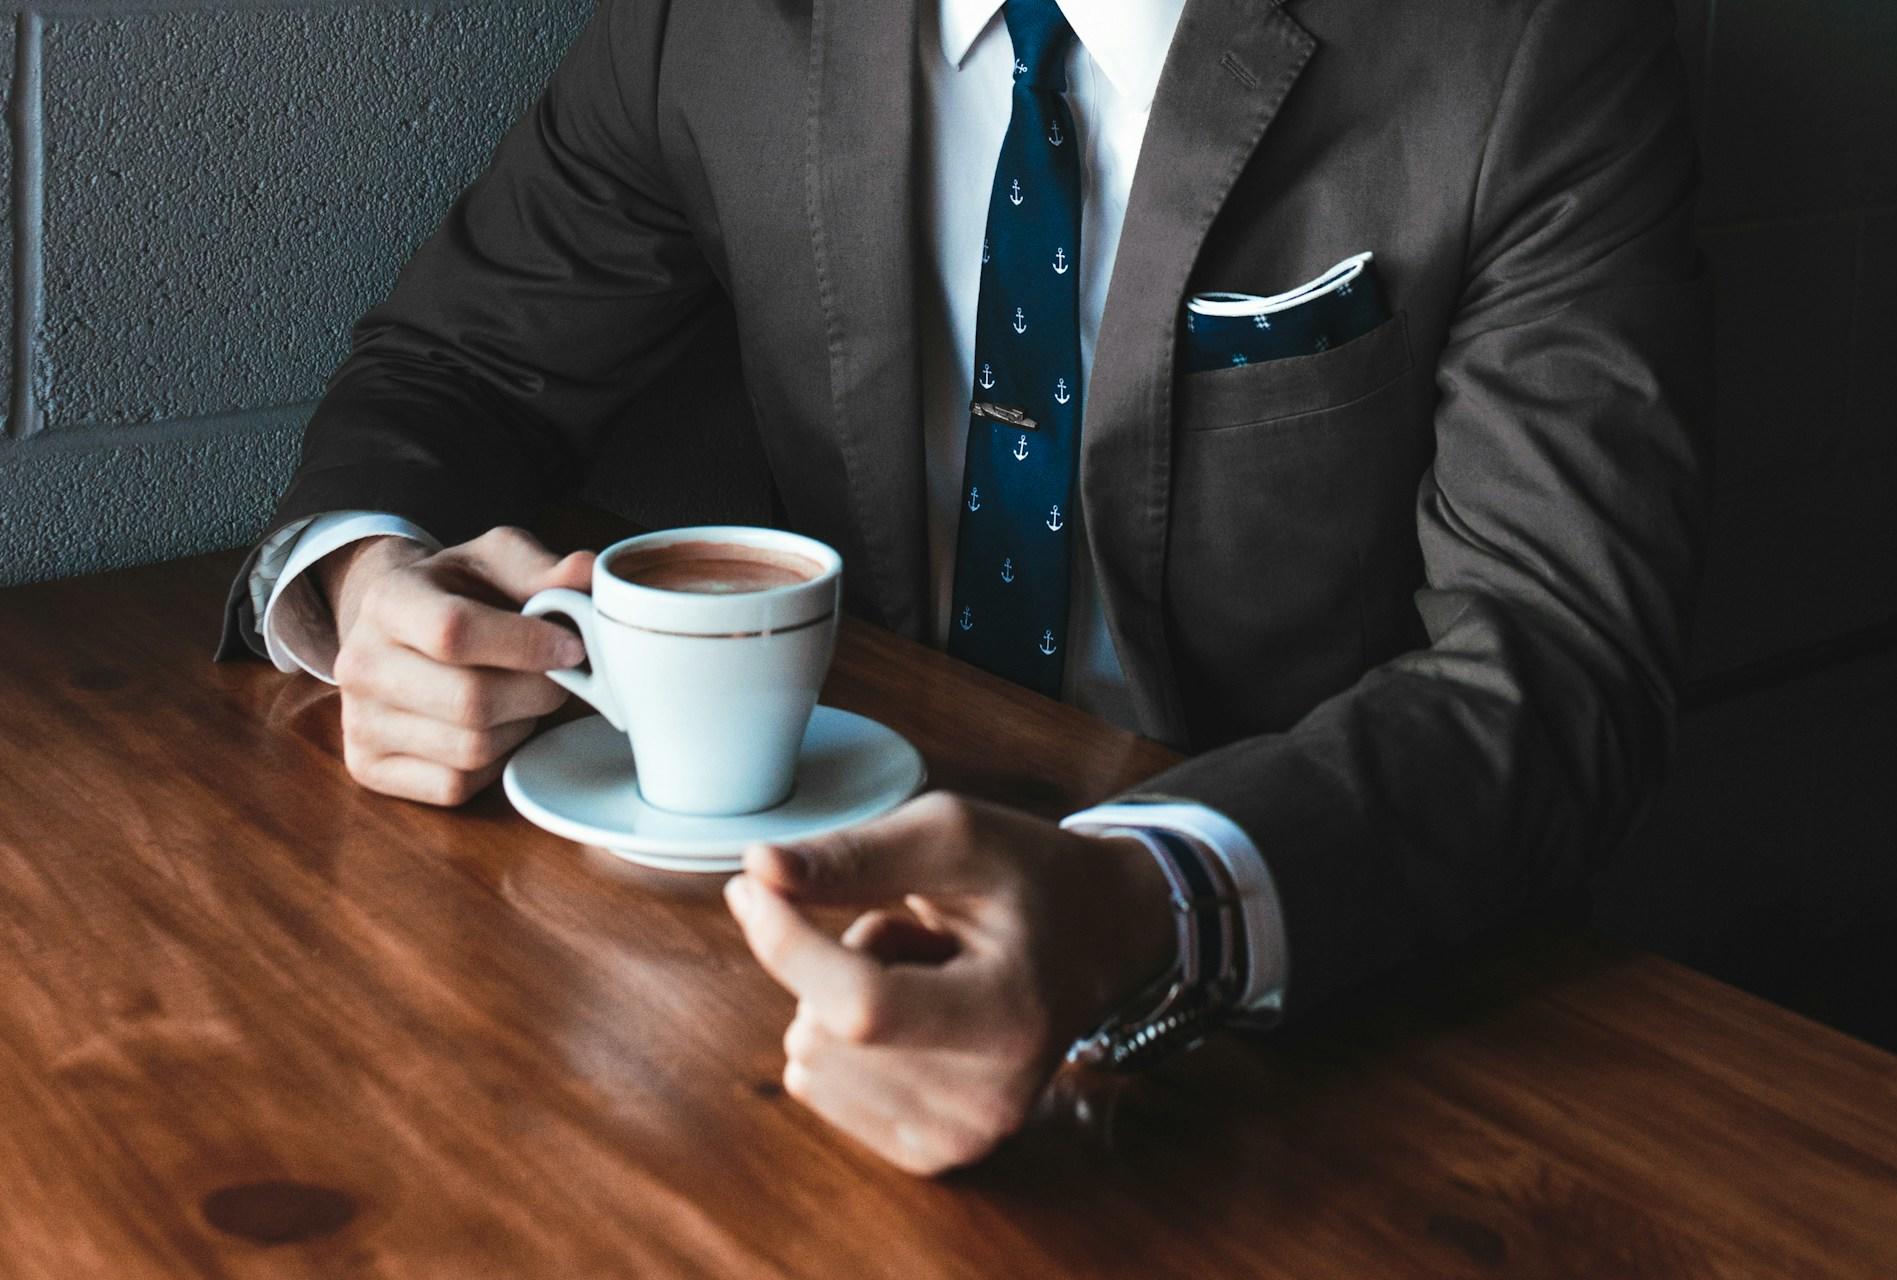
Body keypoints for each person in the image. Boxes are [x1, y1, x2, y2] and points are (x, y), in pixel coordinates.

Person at [221, 0, 1711, 1175]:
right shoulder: (709, 20)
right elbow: (461, 362)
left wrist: (1149, 900)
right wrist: (359, 581)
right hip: (771, 955)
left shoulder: (1534, 42)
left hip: (1321, 1016)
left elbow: (1559, 660)